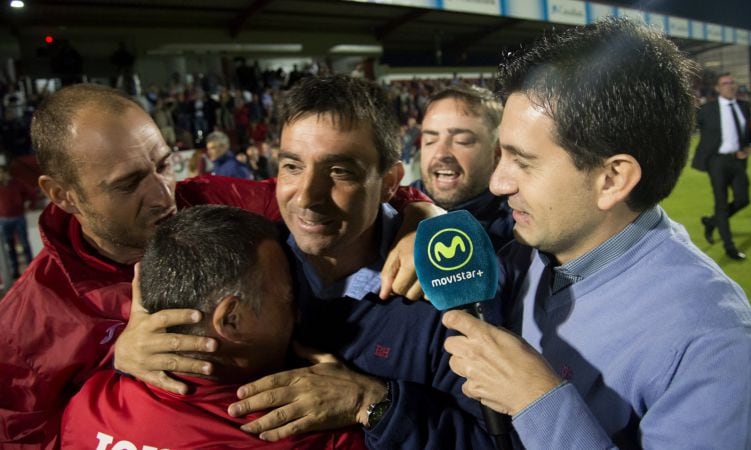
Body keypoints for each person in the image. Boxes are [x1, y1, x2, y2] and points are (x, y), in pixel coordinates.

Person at [0, 83, 430, 448]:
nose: (163, 195)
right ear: (62, 195)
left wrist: (422, 219)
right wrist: (114, 359)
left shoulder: (213, 201)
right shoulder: (27, 325)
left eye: (164, 164)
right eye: (128, 184)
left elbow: (321, 197)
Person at [115, 75, 500, 449]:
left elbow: (494, 440)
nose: (307, 196)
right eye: (292, 166)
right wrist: (124, 351)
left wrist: (373, 402)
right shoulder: (247, 263)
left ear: (389, 182)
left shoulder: (447, 288)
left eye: (339, 171)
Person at [442, 18, 751, 448]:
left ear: (612, 179)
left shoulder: (715, 347)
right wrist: (417, 216)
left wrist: (537, 400)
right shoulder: (536, 244)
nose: (499, 182)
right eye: (501, 154)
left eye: (523, 161)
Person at [60, 205, 365, 449]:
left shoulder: (89, 405)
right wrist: (371, 403)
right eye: (287, 297)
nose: (297, 313)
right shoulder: (303, 434)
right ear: (232, 320)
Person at [412, 85, 513, 249]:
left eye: (462, 141)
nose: (441, 153)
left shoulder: (521, 231)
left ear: (497, 153)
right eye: (430, 141)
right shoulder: (390, 214)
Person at [692, 73, 751, 260]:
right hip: (717, 162)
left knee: (743, 200)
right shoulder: (707, 110)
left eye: (732, 82)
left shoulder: (744, 107)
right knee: (721, 203)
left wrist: (750, 147)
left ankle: (712, 222)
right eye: (725, 83)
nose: (730, 85)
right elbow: (689, 125)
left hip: (738, 160)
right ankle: (730, 247)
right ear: (718, 88)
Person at [0, 165, 36, 279]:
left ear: (6, 173)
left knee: (25, 244)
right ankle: (15, 271)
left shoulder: (17, 183)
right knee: (9, 246)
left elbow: (32, 193)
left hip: (19, 218)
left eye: (1, 173)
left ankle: (32, 268)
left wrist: (30, 206)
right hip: (4, 220)